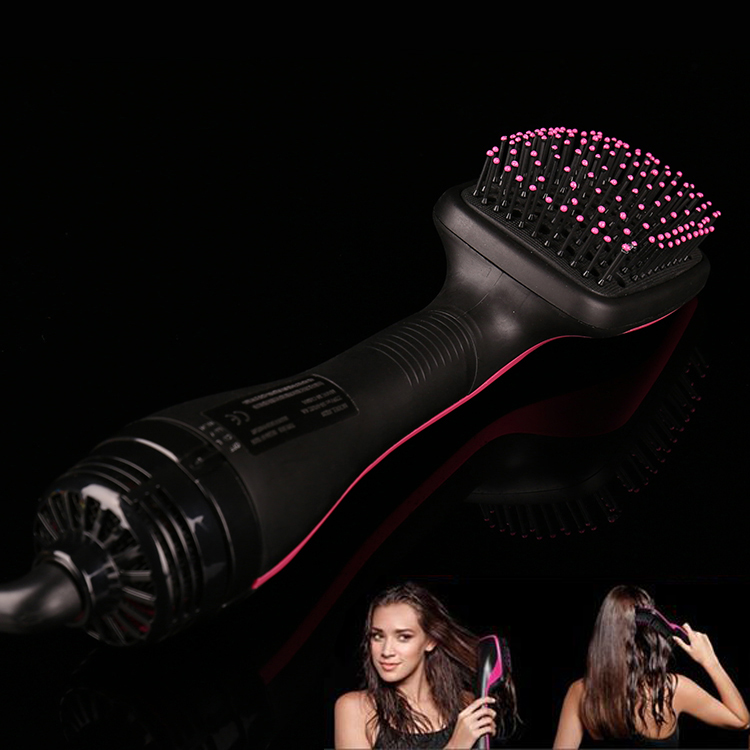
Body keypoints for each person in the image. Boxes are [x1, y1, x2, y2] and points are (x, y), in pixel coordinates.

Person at [553, 585, 749, 748]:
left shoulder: (580, 692)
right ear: (651, 631)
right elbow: (741, 721)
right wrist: (710, 660)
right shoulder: (674, 689)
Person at [334, 581, 519, 749]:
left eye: (403, 637)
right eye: (377, 636)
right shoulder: (355, 709)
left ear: (430, 640)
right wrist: (455, 746)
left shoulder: (467, 705)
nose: (386, 651)